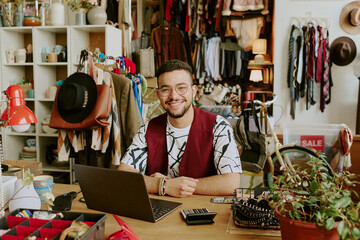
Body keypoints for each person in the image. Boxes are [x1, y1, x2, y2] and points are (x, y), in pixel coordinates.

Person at [118, 60, 242, 197]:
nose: (174, 96)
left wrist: (173, 184)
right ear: (159, 95)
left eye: (181, 88)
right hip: (160, 213)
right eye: (166, 89)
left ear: (194, 91)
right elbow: (123, 177)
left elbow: (231, 184)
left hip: (206, 213)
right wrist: (162, 185)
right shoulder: (148, 129)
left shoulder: (219, 126)